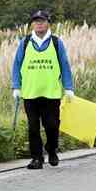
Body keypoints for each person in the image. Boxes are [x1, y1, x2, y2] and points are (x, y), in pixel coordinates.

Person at [11, 10, 74, 169]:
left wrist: (68, 88)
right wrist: (16, 86)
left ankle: (51, 150)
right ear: (32, 24)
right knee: (33, 127)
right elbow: (17, 65)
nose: (39, 23)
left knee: (52, 125)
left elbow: (64, 65)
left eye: (42, 20)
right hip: (30, 93)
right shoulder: (25, 42)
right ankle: (36, 158)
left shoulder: (56, 42)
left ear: (48, 23)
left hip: (51, 93)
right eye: (36, 21)